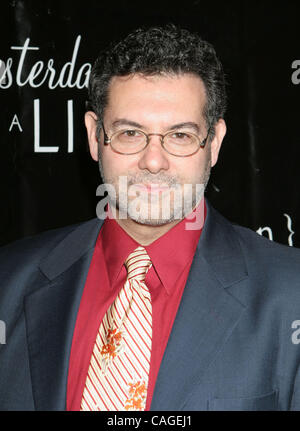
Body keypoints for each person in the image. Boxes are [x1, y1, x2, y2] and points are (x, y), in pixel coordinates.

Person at [0, 24, 300, 412]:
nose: (153, 161)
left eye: (180, 136)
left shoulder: (291, 295)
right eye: (129, 133)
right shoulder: (8, 283)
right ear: (95, 136)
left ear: (215, 143)